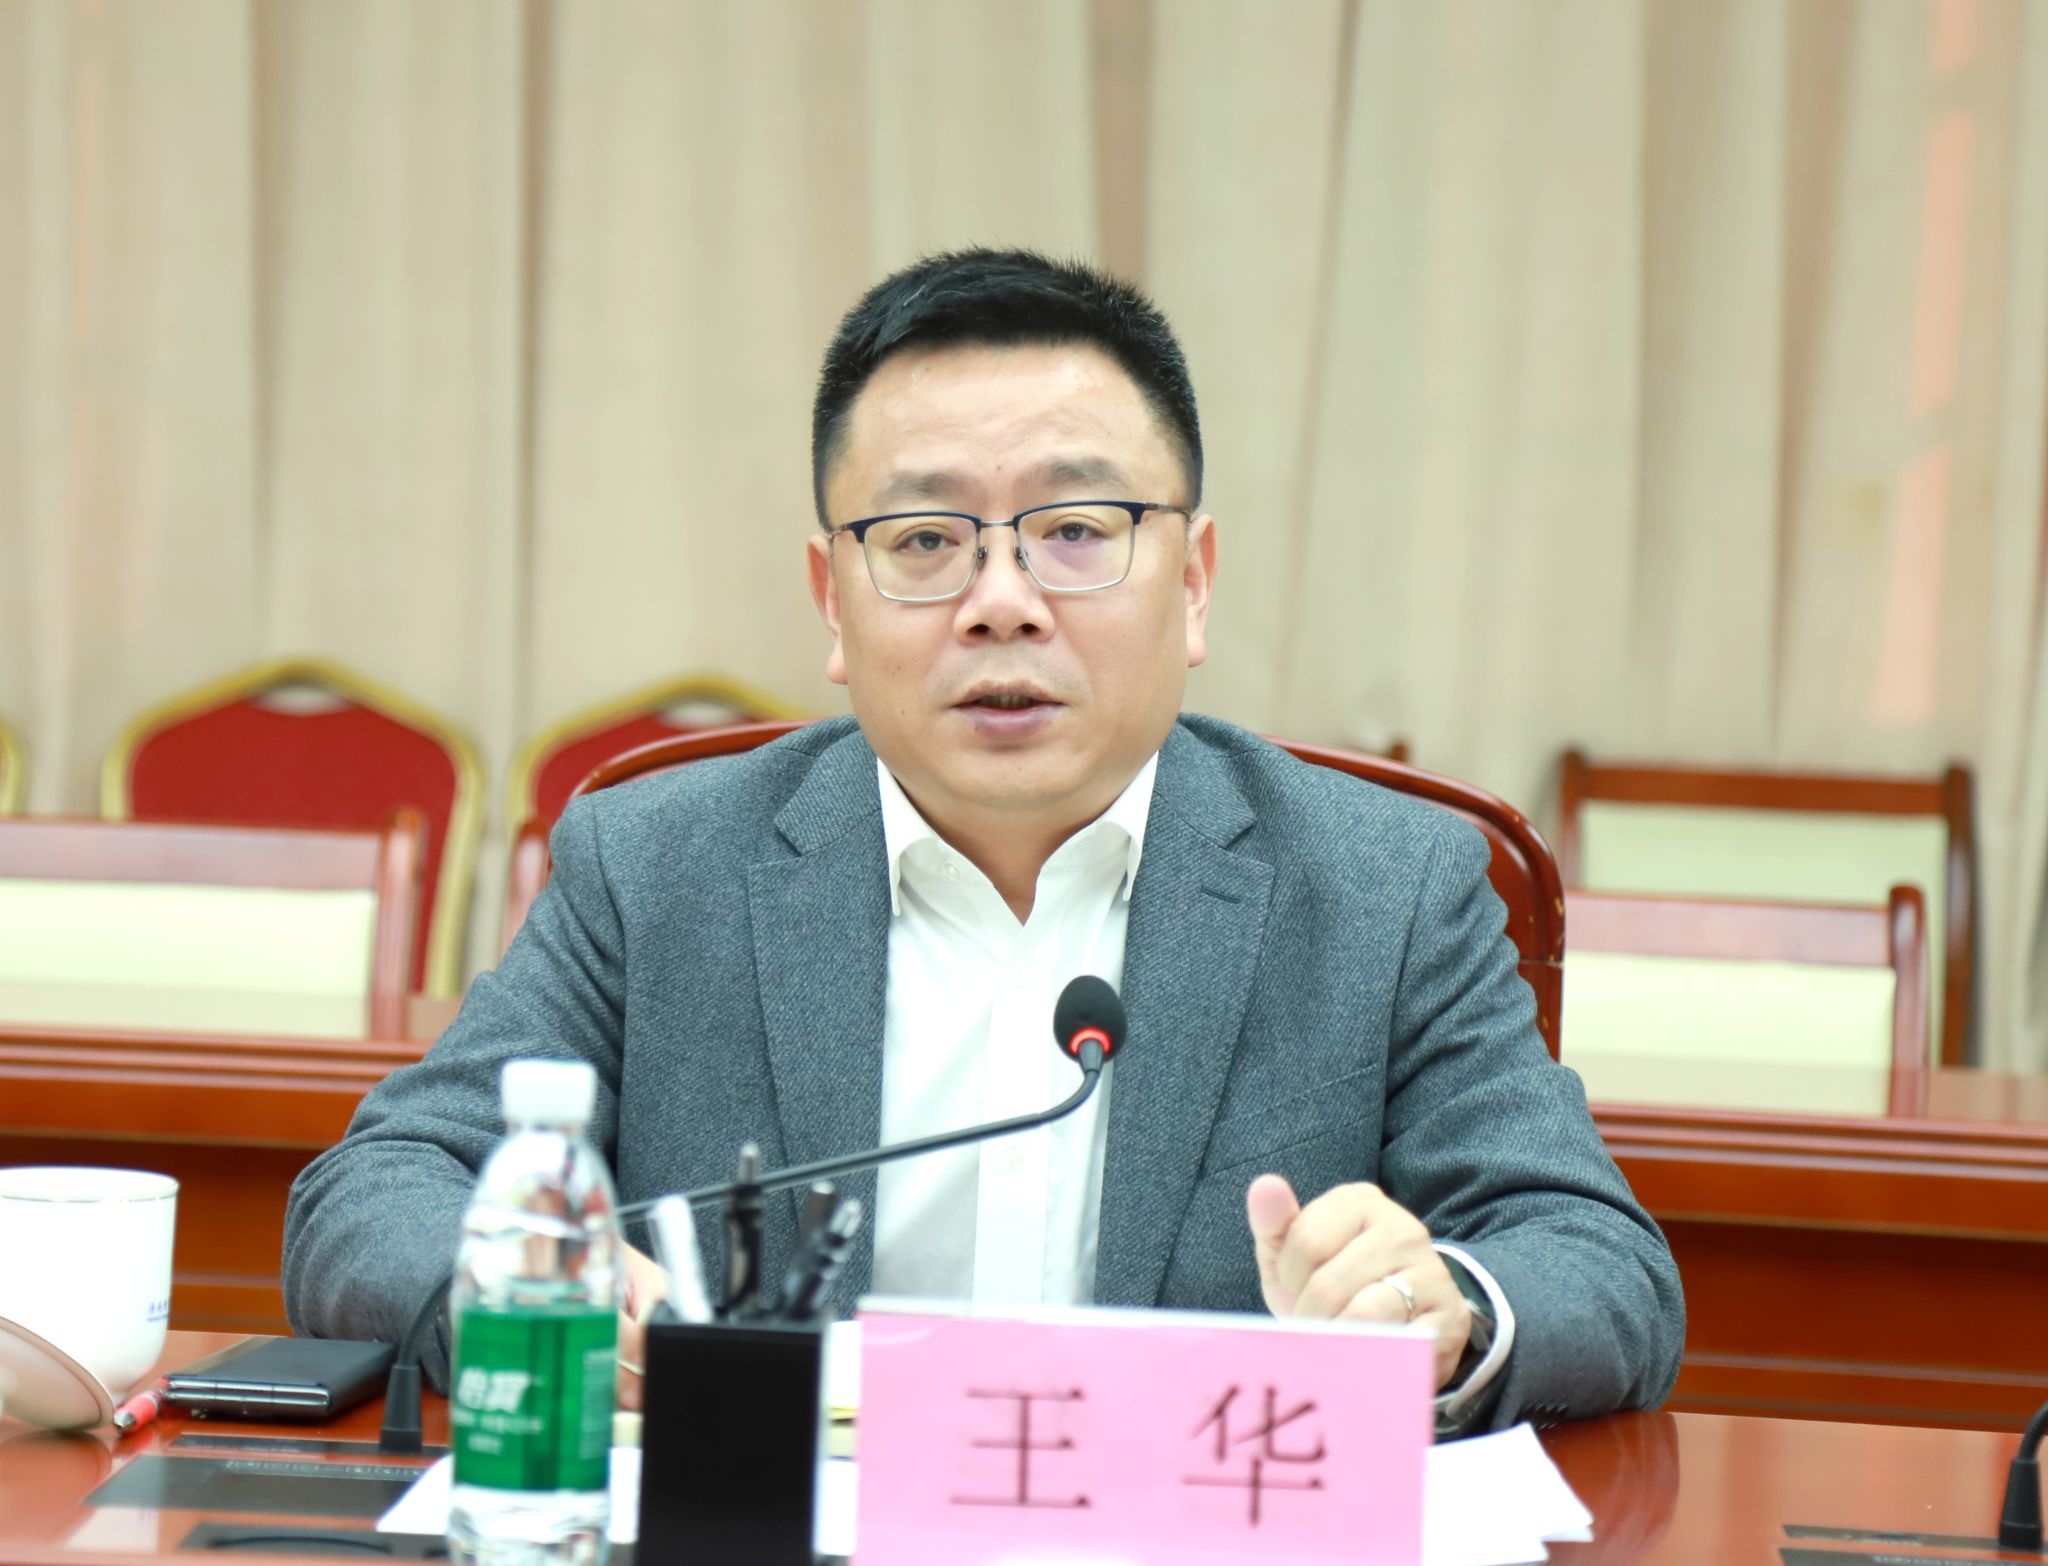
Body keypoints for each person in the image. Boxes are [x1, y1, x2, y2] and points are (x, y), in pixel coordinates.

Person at [284, 248, 1683, 1434]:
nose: (1002, 601)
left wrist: (1447, 1308)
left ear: (1193, 584)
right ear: (832, 602)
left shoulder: (1387, 889)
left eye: (1075, 530)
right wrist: (542, 1289)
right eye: (923, 541)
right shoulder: (655, 867)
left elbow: (1597, 1263)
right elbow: (371, 1198)